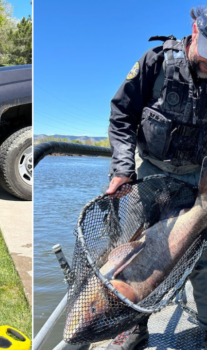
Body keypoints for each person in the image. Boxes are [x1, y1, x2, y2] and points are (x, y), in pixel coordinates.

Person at [106, 6, 207, 350]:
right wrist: (122, 169)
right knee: (133, 254)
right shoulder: (156, 61)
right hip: (150, 175)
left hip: (199, 182)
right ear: (194, 29)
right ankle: (133, 327)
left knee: (203, 259)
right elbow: (122, 113)